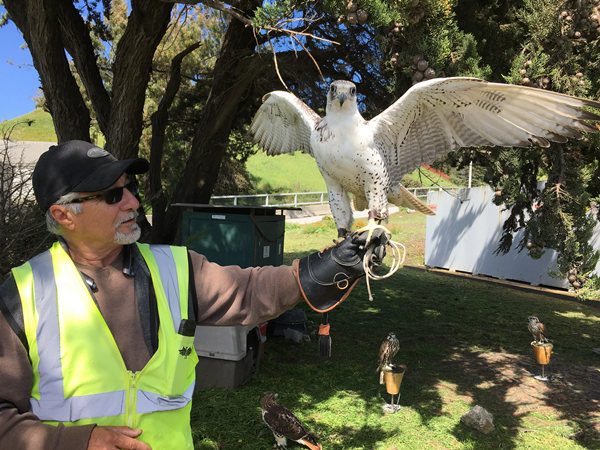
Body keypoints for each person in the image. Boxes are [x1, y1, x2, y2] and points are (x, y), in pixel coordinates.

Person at [0, 140, 387, 449]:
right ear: (65, 215)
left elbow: (250, 291)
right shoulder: (22, 295)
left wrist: (330, 268)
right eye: (113, 196)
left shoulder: (175, 269)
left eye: (130, 188)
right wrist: (75, 442)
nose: (134, 201)